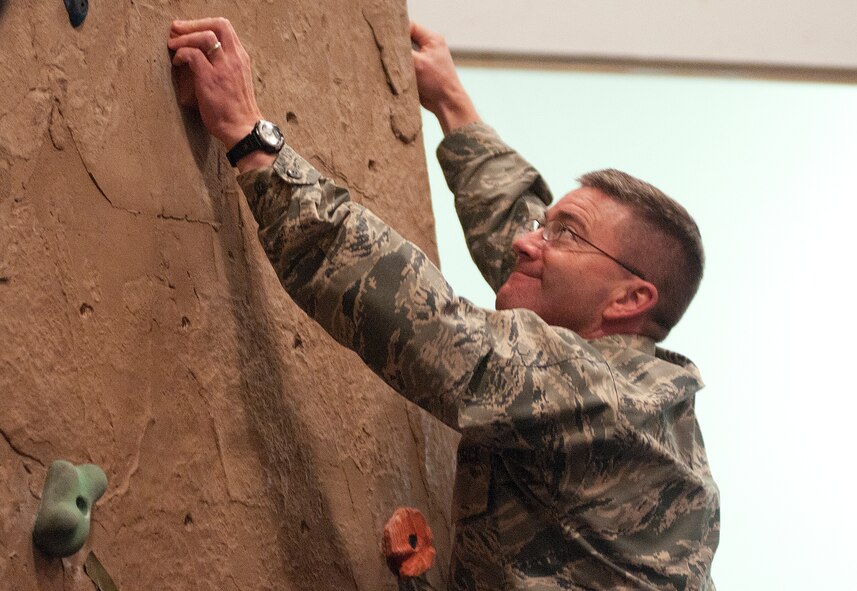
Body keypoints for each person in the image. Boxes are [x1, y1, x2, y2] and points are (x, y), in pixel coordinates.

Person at [168, 17, 719, 590]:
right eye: (543, 226)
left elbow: (424, 321)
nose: (526, 242)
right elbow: (522, 236)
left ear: (630, 298)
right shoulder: (636, 390)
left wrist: (251, 139)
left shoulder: (604, 395)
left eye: (566, 233)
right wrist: (452, 104)